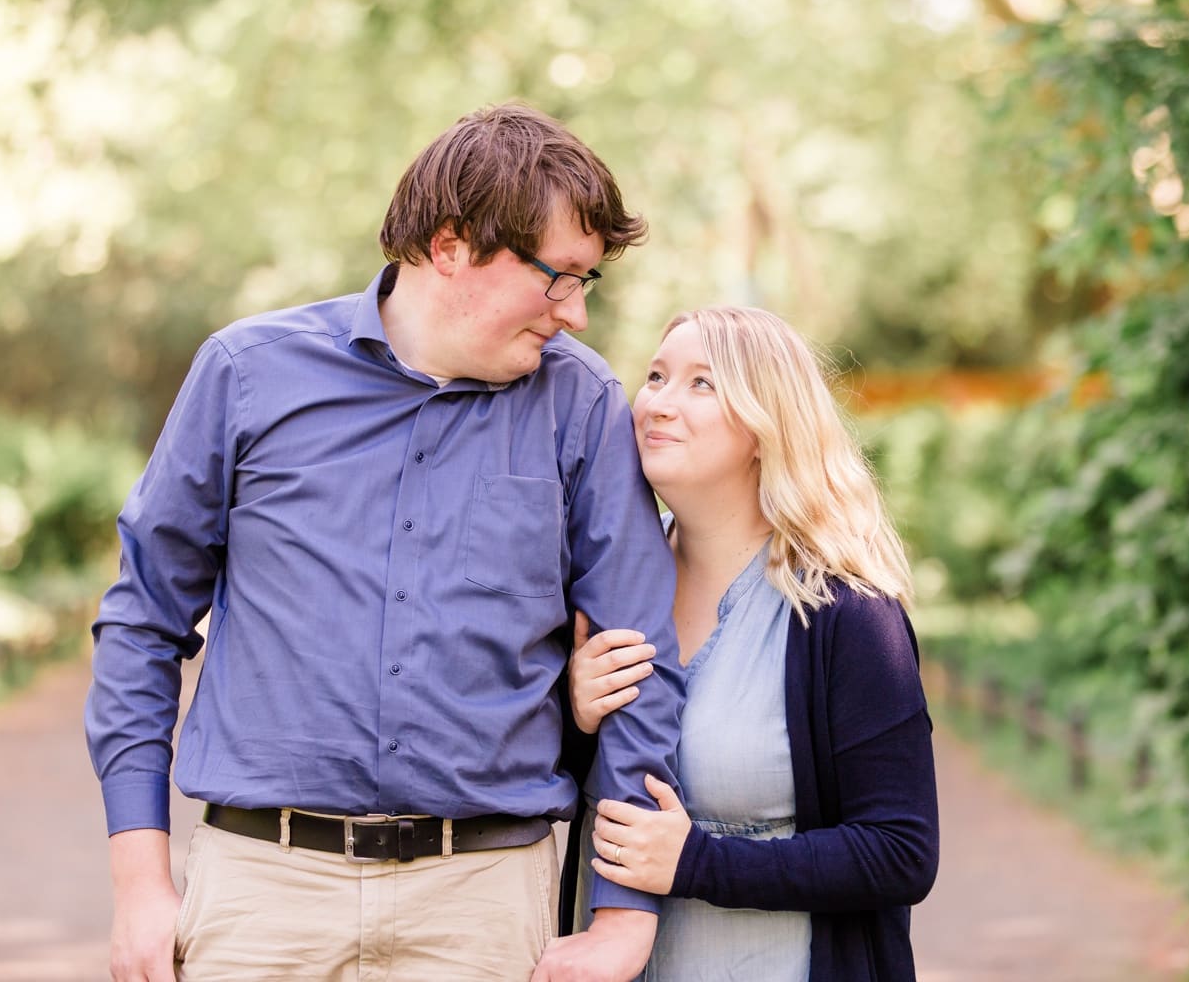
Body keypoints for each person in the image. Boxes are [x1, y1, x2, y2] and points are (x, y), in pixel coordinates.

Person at [84, 103, 686, 982]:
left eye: (585, 283)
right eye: (560, 277)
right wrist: (139, 884)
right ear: (452, 247)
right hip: (263, 898)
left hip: (486, 904)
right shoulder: (247, 376)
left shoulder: (583, 407)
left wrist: (624, 919)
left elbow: (640, 664)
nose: (576, 314)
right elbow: (142, 623)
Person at [564, 306, 939, 981]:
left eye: (701, 384)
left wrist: (698, 863)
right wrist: (575, 721)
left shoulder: (847, 614)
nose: (658, 403)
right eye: (655, 376)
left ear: (766, 428)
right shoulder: (596, 594)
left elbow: (900, 850)